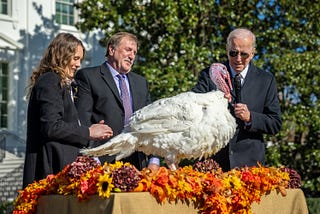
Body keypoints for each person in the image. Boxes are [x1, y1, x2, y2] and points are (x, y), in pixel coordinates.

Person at [23, 33, 113, 188]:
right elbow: (51, 126)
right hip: (49, 172)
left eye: (80, 60)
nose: (78, 65)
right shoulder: (50, 80)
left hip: (60, 171)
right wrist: (88, 132)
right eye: (75, 58)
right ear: (61, 56)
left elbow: (65, 124)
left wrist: (91, 130)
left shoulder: (63, 83)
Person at [192, 28, 282, 172]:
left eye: (244, 54)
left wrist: (251, 117)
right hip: (213, 165)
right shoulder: (210, 75)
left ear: (252, 54)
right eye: (233, 53)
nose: (238, 59)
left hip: (250, 168)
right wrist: (214, 104)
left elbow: (275, 123)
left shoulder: (266, 80)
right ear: (227, 49)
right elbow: (193, 108)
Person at [74, 32, 160, 171]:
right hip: (102, 161)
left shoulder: (141, 83)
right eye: (128, 50)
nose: (132, 56)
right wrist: (92, 159)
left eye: (134, 52)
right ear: (111, 50)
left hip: (137, 162)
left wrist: (154, 160)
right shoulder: (88, 77)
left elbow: (151, 124)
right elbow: (82, 121)